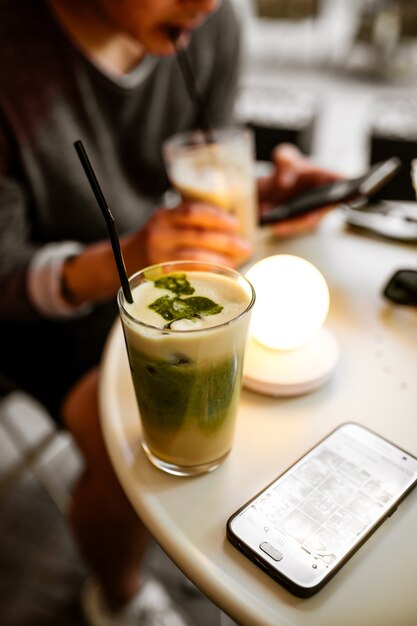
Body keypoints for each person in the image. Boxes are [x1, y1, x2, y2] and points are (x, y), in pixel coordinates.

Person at [0, 0, 340, 623]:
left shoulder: (207, 29)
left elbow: (199, 178)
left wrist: (259, 200)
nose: (207, 2)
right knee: (125, 452)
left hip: (152, 273)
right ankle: (119, 594)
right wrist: (125, 254)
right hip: (43, 308)